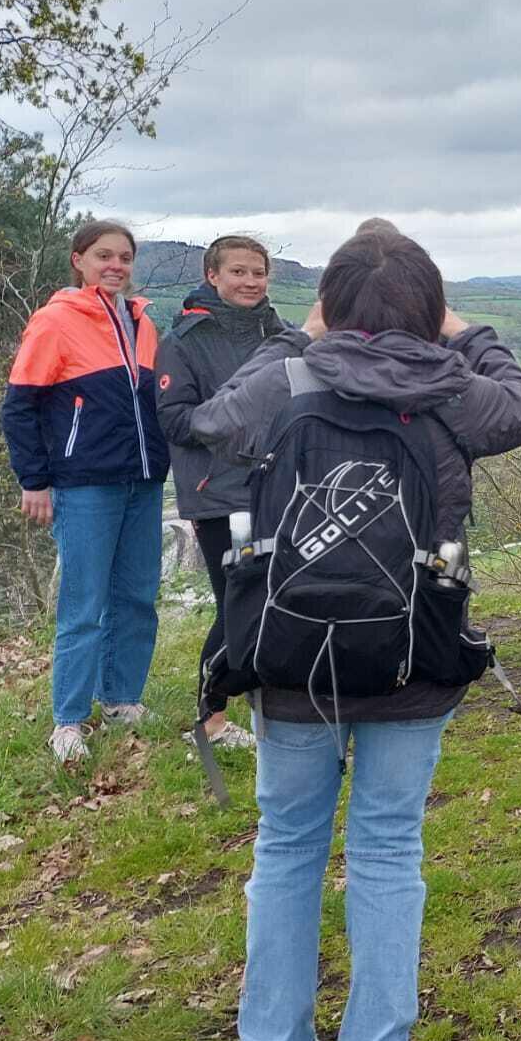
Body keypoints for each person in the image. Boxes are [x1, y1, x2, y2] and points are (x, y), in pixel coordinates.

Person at [189, 229, 521, 1041]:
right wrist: (464, 331)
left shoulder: (287, 380)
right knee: (388, 847)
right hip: (413, 651)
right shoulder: (451, 391)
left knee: (286, 846)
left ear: (330, 303)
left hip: (291, 656)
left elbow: (215, 422)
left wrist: (298, 336)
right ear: (429, 307)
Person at [0, 220, 170, 764]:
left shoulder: (143, 322)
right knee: (85, 605)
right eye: (104, 256)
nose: (115, 265)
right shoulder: (55, 320)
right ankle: (69, 720)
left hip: (143, 480)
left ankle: (121, 700)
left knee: (137, 597)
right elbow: (19, 406)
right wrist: (34, 480)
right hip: (84, 483)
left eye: (124, 257)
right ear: (79, 260)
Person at [155, 234, 292, 752]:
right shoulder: (184, 341)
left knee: (278, 596)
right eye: (238, 272)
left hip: (280, 487)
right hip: (219, 493)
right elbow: (174, 420)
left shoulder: (282, 333)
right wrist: (239, 421)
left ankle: (273, 701)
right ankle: (210, 717)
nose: (250, 282)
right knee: (238, 604)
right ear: (212, 276)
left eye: (258, 272)